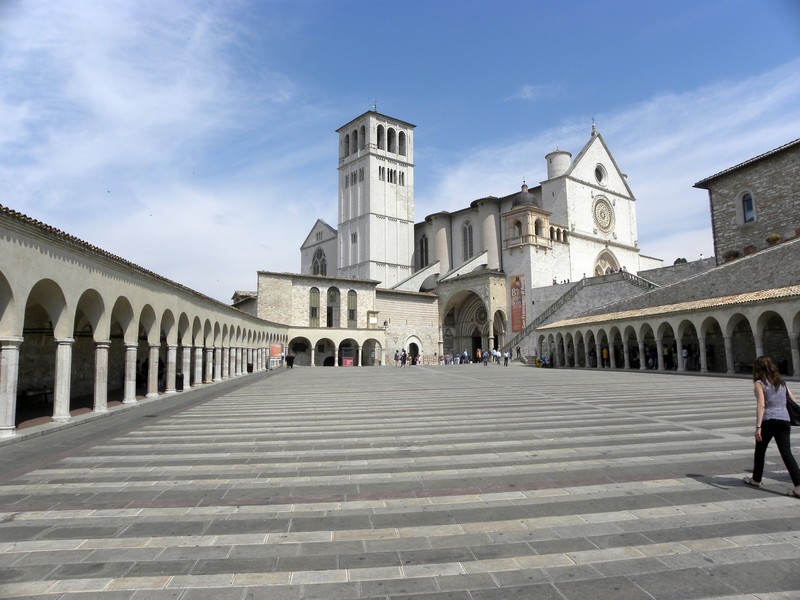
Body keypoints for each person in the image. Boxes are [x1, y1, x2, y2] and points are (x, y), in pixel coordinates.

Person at [743, 356, 800, 498]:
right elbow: (793, 400)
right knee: (787, 454)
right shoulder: (781, 382)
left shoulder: (759, 383)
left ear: (757, 368)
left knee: (760, 450)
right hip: (784, 420)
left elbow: (761, 405)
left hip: (769, 420)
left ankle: (756, 479)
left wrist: (758, 427)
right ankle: (799, 486)